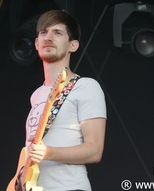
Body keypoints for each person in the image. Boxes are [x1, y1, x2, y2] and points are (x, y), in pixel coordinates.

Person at [10, 10, 107, 191]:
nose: (48, 37)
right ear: (36, 43)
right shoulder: (37, 95)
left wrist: (49, 153)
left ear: (73, 45)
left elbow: (94, 150)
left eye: (58, 32)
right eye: (43, 32)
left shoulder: (85, 86)